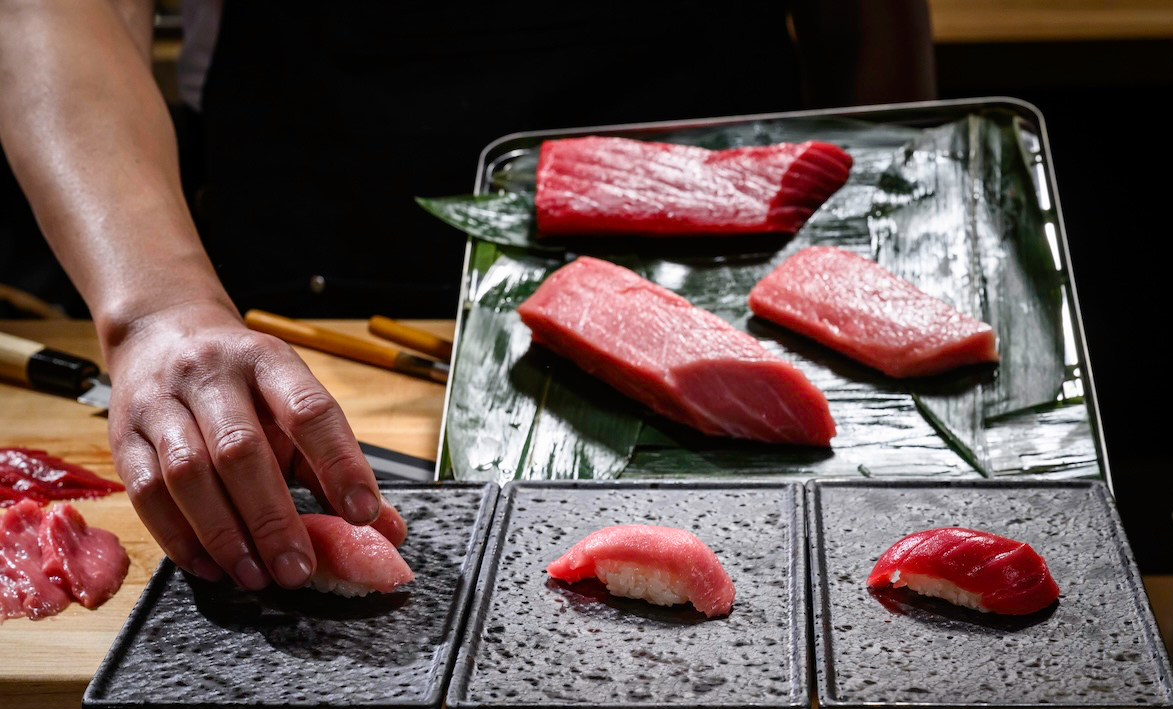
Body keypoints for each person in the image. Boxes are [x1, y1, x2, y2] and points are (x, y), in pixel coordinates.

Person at [0, 1, 933, 590]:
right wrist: (158, 307)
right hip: (313, 302)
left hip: (724, 250)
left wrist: (887, 254)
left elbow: (870, 21)